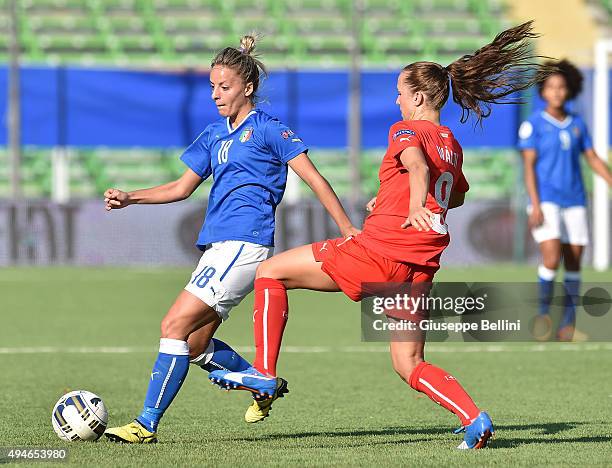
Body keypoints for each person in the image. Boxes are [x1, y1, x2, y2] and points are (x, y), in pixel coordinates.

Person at [209, 21, 545, 450]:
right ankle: (473, 419)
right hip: (417, 267)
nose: (397, 100)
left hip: (380, 253)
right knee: (409, 363)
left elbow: (419, 169)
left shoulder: (405, 130)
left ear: (419, 97)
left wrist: (414, 204)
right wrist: (395, 200)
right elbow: (455, 196)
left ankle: (264, 372)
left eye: (401, 93)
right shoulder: (451, 144)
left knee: (271, 273)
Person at [102, 35, 360, 443]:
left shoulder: (268, 129)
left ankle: (145, 423)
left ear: (248, 87)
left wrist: (347, 228)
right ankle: (259, 383)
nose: (216, 95)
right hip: (218, 248)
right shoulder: (213, 135)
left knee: (173, 325)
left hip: (245, 244)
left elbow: (313, 177)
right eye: (211, 87)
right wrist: (131, 197)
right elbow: (182, 187)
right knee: (195, 345)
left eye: (224, 87)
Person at [519, 59, 612, 341]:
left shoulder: (577, 124)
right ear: (543, 91)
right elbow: (528, 166)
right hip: (546, 199)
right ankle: (543, 316)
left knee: (574, 263)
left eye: (561, 87)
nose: (557, 92)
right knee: (551, 256)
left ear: (569, 90)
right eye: (551, 87)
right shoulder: (533, 124)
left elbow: (592, 158)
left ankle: (567, 326)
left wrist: (609, 180)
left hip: (575, 200)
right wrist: (534, 204)